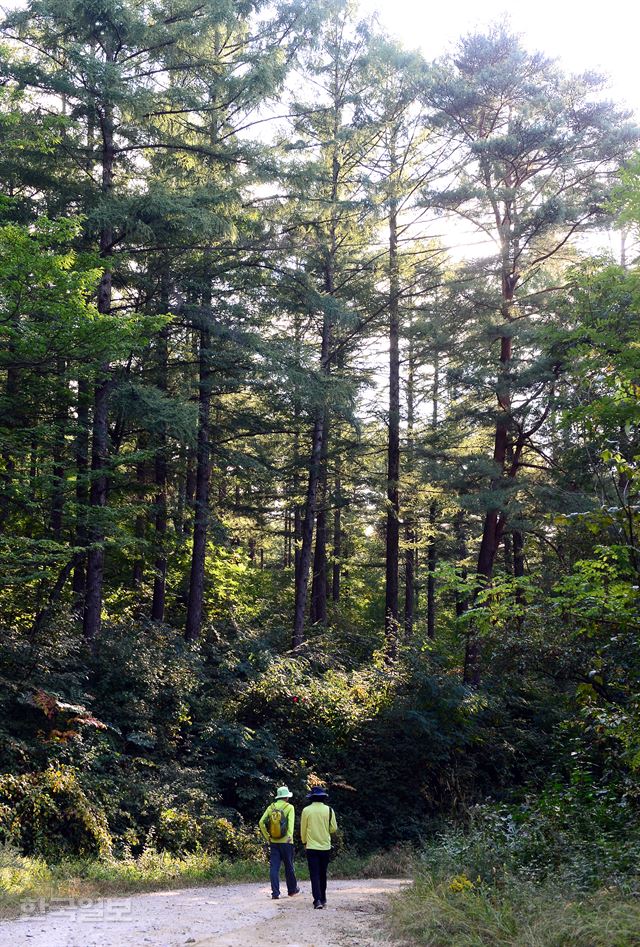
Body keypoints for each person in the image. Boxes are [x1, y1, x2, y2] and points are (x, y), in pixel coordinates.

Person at [258, 785, 300, 900]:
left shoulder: (271, 807)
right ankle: (292, 890)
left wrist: (268, 837)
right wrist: (289, 836)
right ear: (286, 797)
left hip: (274, 841)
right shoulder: (289, 807)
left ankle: (275, 893)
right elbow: (290, 824)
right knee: (289, 866)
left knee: (274, 867)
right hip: (286, 841)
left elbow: (261, 822)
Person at [300, 785, 337, 909]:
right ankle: (324, 897)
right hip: (325, 846)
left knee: (314, 874)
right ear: (323, 798)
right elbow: (333, 828)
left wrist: (304, 842)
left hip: (311, 846)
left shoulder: (306, 810)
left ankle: (317, 901)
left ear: (312, 798)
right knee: (323, 873)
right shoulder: (329, 810)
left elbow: (303, 829)